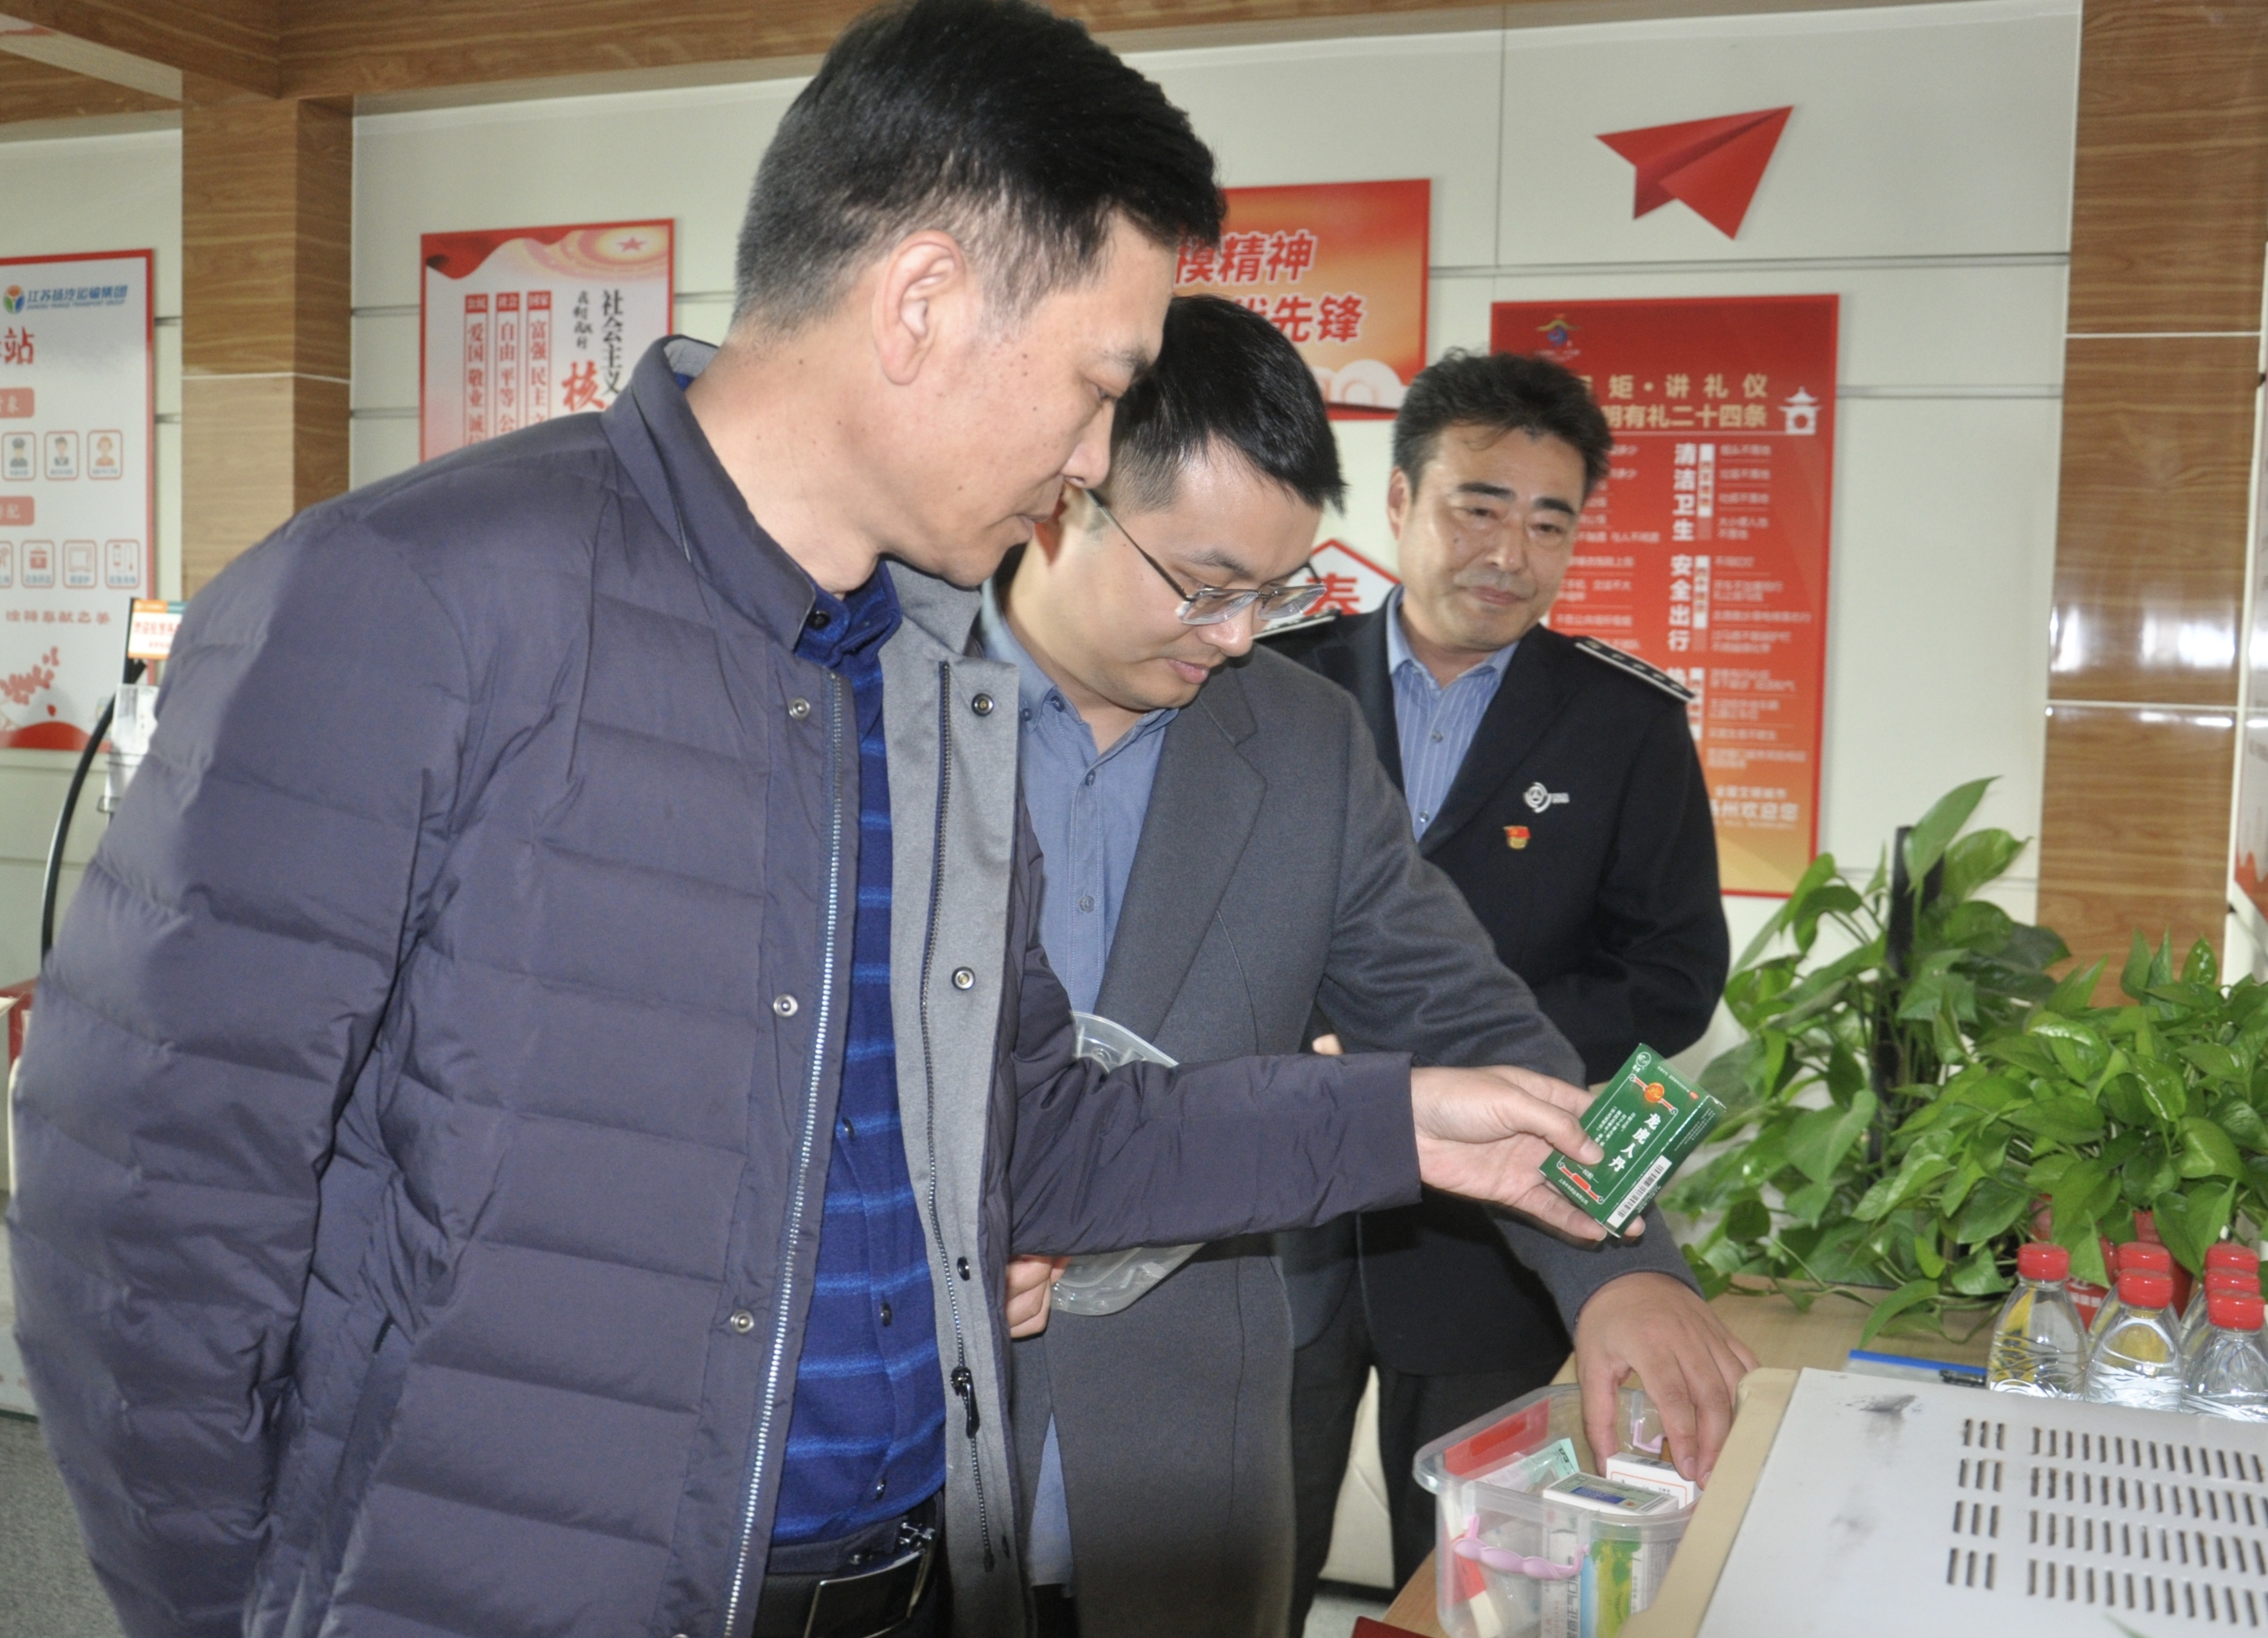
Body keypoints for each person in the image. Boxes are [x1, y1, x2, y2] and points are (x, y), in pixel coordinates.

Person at [7, 10, 1633, 1638]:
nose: (1089, 459)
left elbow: (1030, 1138)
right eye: (1096, 387)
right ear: (922, 301)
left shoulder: (927, 684)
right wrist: (227, 1611)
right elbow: (146, 1215)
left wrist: (1402, 1122)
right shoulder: (412, 601)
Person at [987, 300, 1751, 1638]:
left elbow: (1465, 1010)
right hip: (896, 1466)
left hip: (1181, 1464)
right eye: (1205, 583)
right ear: (1065, 498)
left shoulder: (1296, 735)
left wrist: (1623, 1260)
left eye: (1274, 594)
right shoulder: (872, 692)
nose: (1237, 636)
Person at [1271, 348, 1738, 1623]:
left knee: (1472, 1581)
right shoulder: (1271, 682)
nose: (1512, 553)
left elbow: (1673, 977)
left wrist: (1465, 1067)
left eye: (1550, 522)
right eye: (1479, 507)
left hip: (1495, 1241)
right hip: (1273, 1208)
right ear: (1400, 501)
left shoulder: (1625, 724)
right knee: (1234, 1561)